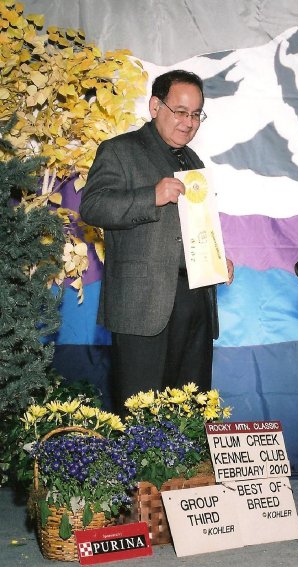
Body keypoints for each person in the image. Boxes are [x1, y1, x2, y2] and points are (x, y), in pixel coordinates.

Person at [79, 69, 234, 413]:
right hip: (142, 305)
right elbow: (92, 206)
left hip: (195, 301)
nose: (189, 122)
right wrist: (151, 196)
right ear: (154, 106)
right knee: (139, 412)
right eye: (180, 111)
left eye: (196, 114)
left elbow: (193, 227)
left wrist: (216, 259)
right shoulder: (119, 150)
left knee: (190, 410)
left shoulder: (193, 160)